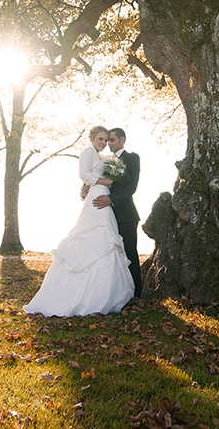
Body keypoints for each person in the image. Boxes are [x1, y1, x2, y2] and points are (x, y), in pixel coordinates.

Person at [22, 126, 134, 317]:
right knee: (93, 238)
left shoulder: (100, 157)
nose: (103, 143)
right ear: (92, 138)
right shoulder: (87, 152)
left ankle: (107, 291)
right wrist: (105, 183)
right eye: (100, 139)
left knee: (105, 240)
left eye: (106, 140)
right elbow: (84, 175)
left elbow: (90, 180)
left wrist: (93, 187)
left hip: (102, 198)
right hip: (97, 199)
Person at [86, 127, 142, 298]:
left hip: (126, 215)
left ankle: (136, 293)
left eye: (112, 140)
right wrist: (85, 193)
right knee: (111, 255)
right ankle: (116, 292)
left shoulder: (132, 158)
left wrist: (112, 200)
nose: (108, 143)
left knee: (129, 253)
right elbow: (98, 183)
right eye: (107, 140)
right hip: (106, 217)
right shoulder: (105, 161)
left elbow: (131, 187)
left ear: (122, 140)